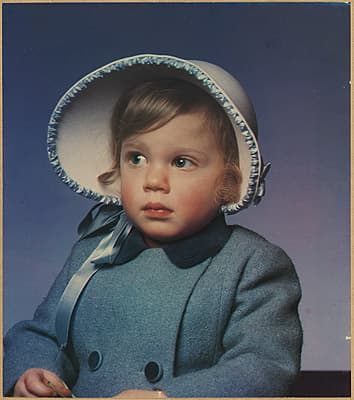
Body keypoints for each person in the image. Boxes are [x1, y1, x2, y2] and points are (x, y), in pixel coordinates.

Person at [3, 54, 302, 398]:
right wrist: (34, 373)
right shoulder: (95, 252)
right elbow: (43, 334)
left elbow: (263, 367)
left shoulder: (252, 264)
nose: (153, 180)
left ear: (229, 180)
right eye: (136, 158)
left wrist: (165, 397)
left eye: (181, 162)